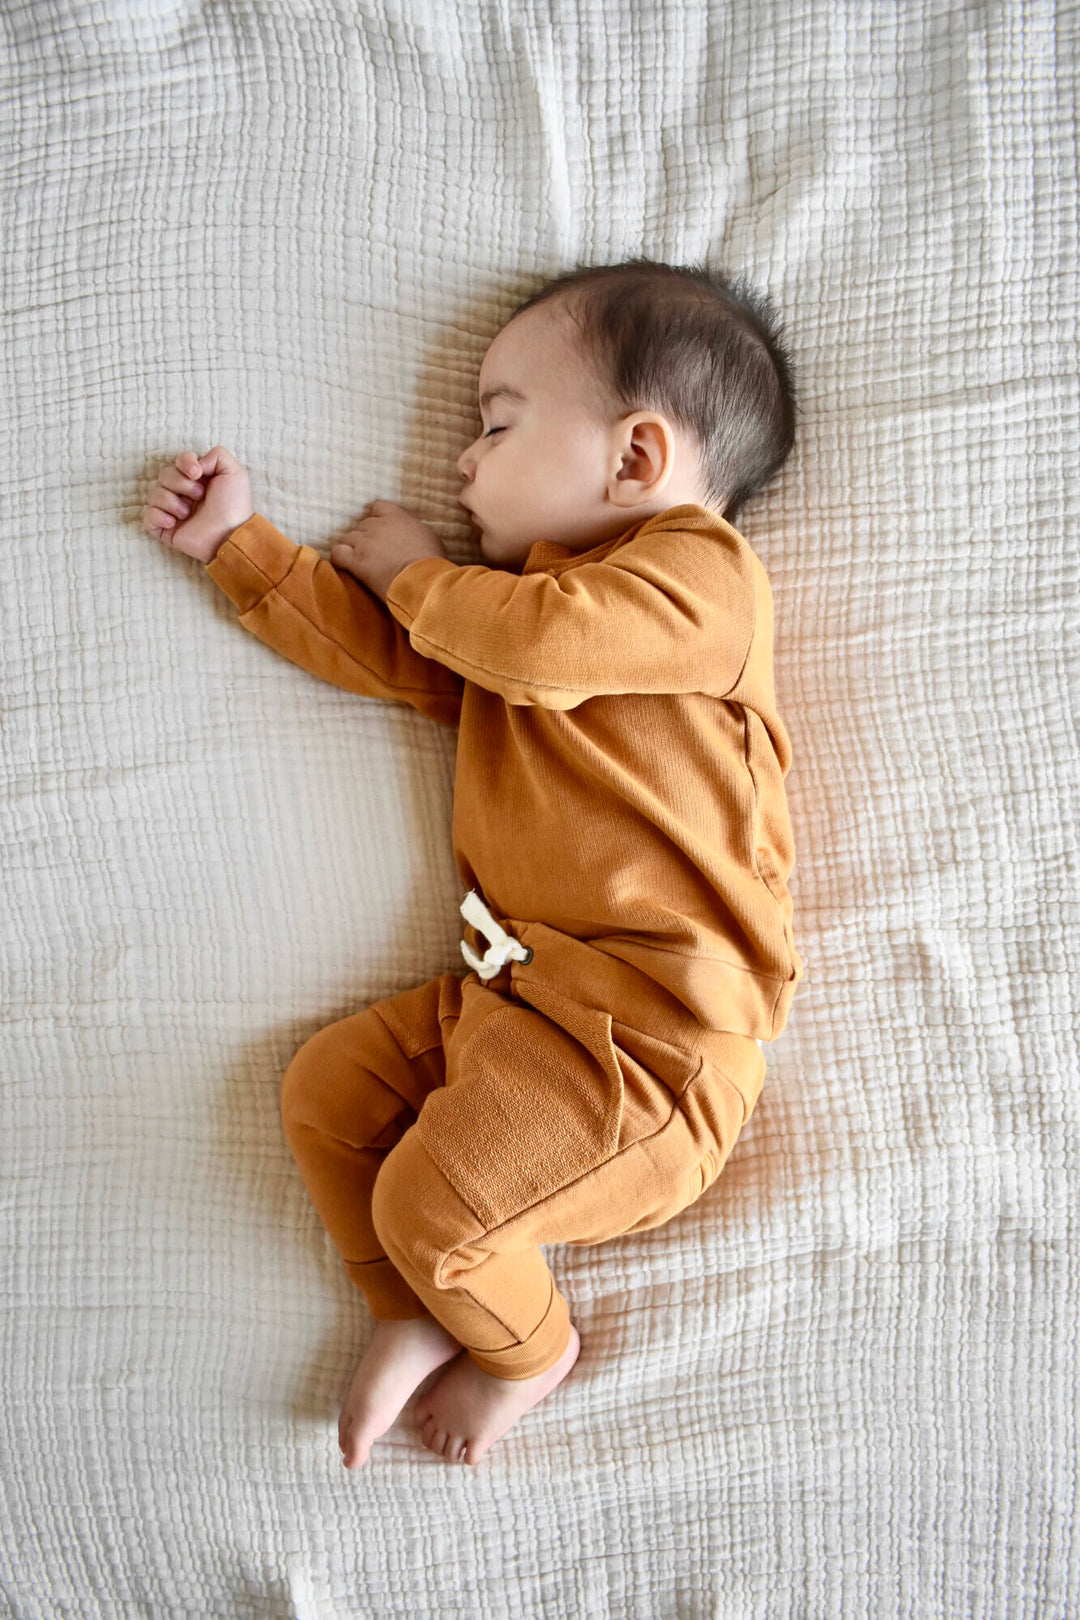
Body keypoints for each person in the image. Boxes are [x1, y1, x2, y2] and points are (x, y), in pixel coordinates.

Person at [140, 257, 803, 1470]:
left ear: (638, 460)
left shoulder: (702, 582)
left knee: (431, 1206)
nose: (461, 462)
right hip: (526, 1010)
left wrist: (412, 571)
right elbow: (405, 663)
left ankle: (526, 1348)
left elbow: (536, 648)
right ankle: (415, 1303)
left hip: (650, 1056)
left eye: (497, 425)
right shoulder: (516, 620)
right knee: (328, 1094)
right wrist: (243, 549)